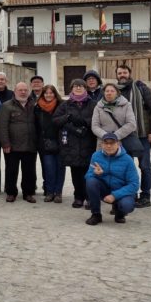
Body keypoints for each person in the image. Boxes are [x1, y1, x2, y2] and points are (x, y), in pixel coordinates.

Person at [116, 65, 151, 208]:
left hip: (142, 135)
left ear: (129, 73)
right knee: (126, 167)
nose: (122, 75)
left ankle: (145, 195)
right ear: (116, 75)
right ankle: (131, 194)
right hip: (124, 136)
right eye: (120, 73)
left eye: (125, 72)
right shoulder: (115, 91)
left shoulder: (141, 89)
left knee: (145, 166)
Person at [53, 79, 97, 209]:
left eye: (81, 86)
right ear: (71, 88)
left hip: (88, 142)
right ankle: (78, 197)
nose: (78, 88)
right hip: (71, 144)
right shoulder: (65, 105)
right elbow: (55, 120)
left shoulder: (93, 104)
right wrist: (67, 118)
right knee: (76, 172)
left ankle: (90, 197)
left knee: (89, 172)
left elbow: (97, 119)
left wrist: (83, 122)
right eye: (75, 86)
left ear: (85, 88)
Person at [84, 133, 139, 225]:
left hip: (122, 191)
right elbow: (88, 176)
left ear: (118, 144)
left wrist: (115, 195)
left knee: (127, 205)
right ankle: (96, 214)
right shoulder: (96, 156)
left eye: (112, 143)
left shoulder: (127, 159)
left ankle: (120, 213)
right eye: (106, 143)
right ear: (102, 144)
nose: (109, 146)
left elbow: (134, 184)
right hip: (105, 189)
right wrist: (95, 173)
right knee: (91, 181)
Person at [0, 82, 38, 203]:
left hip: (30, 144)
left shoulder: (34, 105)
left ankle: (28, 193)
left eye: (25, 90)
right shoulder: (7, 106)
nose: (23, 92)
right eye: (20, 90)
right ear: (15, 91)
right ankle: (11, 193)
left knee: (29, 171)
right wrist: (5, 143)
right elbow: (2, 126)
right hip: (12, 146)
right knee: (11, 170)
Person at [35, 84, 64, 203]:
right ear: (43, 94)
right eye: (46, 93)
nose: (48, 95)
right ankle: (50, 192)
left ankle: (58, 193)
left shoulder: (62, 106)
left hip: (61, 142)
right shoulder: (37, 108)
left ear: (55, 94)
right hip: (45, 143)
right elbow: (35, 125)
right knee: (49, 169)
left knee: (60, 169)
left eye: (51, 93)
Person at [91, 83, 138, 151]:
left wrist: (115, 136)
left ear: (117, 93)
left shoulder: (126, 105)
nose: (109, 93)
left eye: (112, 91)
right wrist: (106, 136)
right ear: (104, 93)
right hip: (103, 143)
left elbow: (131, 124)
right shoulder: (98, 107)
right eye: (107, 91)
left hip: (121, 143)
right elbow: (95, 126)